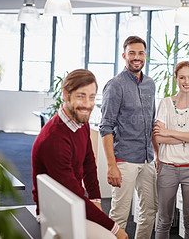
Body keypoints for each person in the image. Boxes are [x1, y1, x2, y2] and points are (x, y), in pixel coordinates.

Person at [32, 69, 128, 239]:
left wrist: (96, 200)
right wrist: (115, 229)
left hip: (71, 202)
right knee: (112, 237)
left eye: (92, 97)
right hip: (53, 213)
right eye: (81, 96)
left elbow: (89, 164)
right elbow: (74, 195)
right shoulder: (54, 139)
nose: (87, 104)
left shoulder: (80, 123)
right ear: (66, 95)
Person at [99, 36, 158, 239]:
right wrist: (111, 165)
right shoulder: (115, 85)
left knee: (149, 211)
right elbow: (105, 127)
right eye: (132, 53)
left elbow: (152, 124)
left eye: (140, 53)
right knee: (119, 216)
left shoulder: (150, 84)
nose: (136, 57)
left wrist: (156, 158)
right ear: (124, 55)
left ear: (145, 56)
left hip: (147, 159)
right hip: (124, 159)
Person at [153, 61, 189, 239]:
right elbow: (158, 137)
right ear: (176, 79)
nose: (187, 81)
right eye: (183, 77)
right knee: (163, 220)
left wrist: (169, 132)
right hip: (168, 168)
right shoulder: (165, 104)